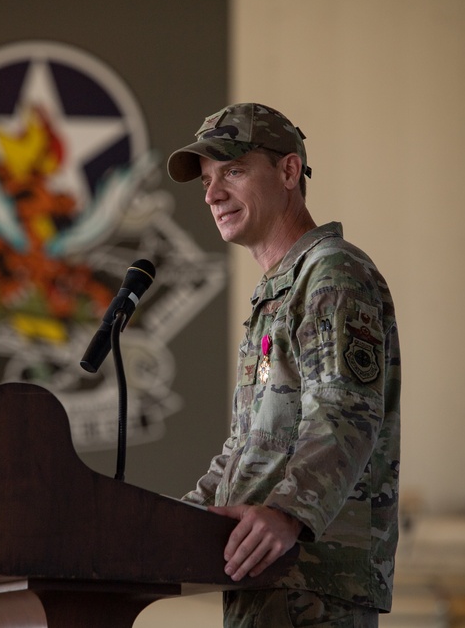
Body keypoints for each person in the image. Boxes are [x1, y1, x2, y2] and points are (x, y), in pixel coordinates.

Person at [167, 103, 401, 627]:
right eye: (206, 180)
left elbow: (345, 413)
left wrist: (289, 512)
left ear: (288, 171)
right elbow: (246, 447)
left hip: (310, 580)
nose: (212, 195)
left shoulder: (332, 273)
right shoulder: (278, 293)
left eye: (232, 171)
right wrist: (168, 525)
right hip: (265, 573)